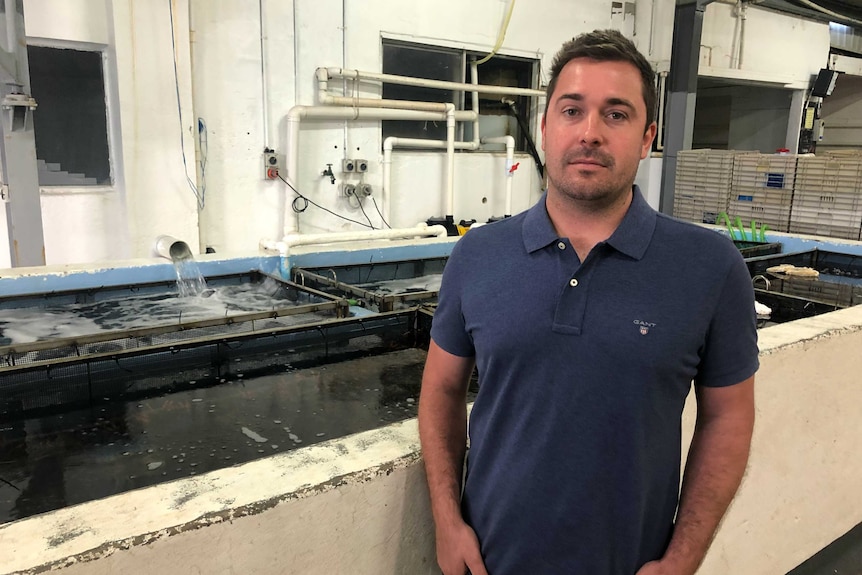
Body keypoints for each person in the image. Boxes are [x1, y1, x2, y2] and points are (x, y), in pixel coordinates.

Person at [418, 29, 758, 575]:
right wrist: (446, 519)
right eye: (572, 110)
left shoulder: (710, 267)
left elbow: (728, 419)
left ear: (648, 137)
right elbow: (440, 390)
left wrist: (682, 559)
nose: (590, 133)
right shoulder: (477, 256)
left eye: (616, 114)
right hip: (490, 562)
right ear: (546, 129)